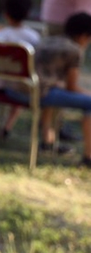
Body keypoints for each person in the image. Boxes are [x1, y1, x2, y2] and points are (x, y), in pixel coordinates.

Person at [7, 12, 91, 166]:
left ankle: (48, 141)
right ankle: (88, 156)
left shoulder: (48, 40)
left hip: (15, 89)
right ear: (84, 36)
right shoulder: (75, 50)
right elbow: (72, 87)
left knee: (54, 90)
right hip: (35, 94)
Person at [0, 0, 42, 144]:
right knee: (17, 97)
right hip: (22, 86)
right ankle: (6, 128)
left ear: (6, 14)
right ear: (27, 13)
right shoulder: (34, 37)